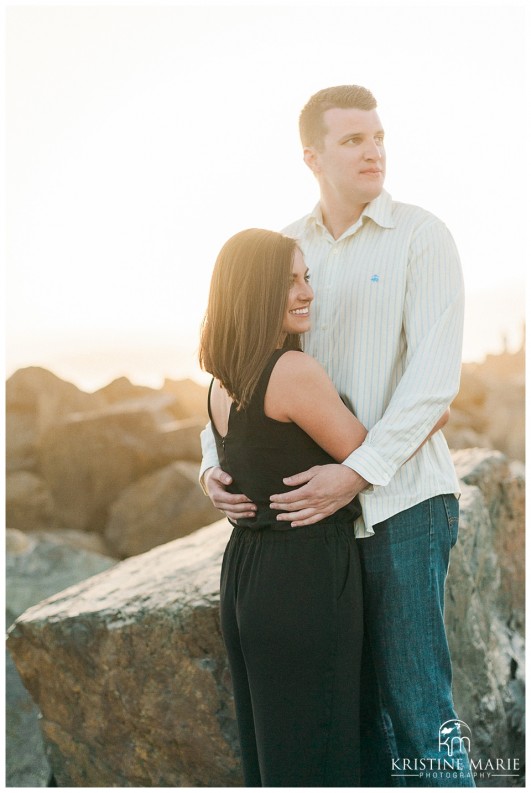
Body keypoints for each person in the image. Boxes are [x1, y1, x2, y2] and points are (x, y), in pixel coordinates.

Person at [200, 85, 474, 787]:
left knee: (418, 714)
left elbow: (433, 385)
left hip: (403, 505)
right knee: (358, 725)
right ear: (311, 155)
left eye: (377, 135)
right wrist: (212, 465)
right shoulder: (288, 249)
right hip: (317, 535)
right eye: (352, 139)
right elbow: (243, 363)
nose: (372, 149)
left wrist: (356, 472)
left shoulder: (421, 236)